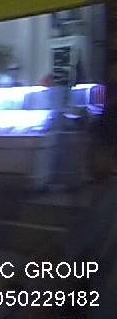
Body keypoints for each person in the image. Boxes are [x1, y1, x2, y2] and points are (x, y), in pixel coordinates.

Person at [62, 115, 117, 318]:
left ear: (111, 152)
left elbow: (72, 254)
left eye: (91, 148)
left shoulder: (109, 197)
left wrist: (10, 280)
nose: (85, 156)